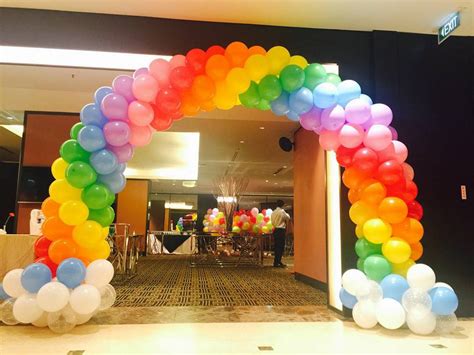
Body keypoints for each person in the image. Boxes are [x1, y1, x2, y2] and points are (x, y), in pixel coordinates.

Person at [270, 200, 291, 268]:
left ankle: (276, 262)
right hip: (281, 230)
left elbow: (272, 222)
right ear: (282, 205)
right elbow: (288, 217)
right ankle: (278, 261)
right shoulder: (282, 211)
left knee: (276, 246)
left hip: (275, 230)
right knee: (280, 247)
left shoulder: (273, 212)